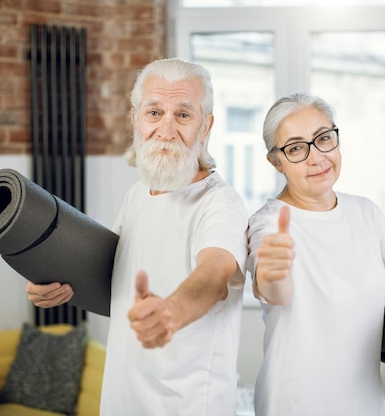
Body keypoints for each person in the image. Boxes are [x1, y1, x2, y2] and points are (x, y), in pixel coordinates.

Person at [26, 58, 249, 416]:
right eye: (155, 112)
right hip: (122, 399)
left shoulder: (219, 202)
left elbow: (215, 276)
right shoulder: (137, 195)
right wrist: (54, 283)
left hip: (187, 406)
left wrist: (171, 313)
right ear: (134, 119)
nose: (166, 129)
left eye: (184, 115)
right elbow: (106, 278)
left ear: (205, 126)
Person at [246, 93, 385, 416]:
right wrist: (273, 272)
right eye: (296, 148)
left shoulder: (367, 214)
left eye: (324, 139)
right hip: (293, 403)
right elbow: (275, 292)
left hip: (364, 404)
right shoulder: (268, 224)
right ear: (276, 161)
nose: (317, 158)